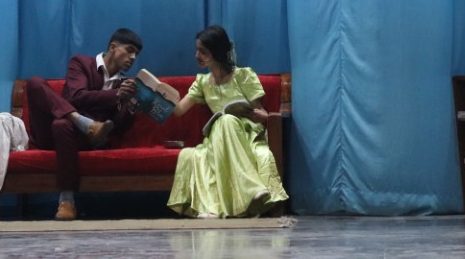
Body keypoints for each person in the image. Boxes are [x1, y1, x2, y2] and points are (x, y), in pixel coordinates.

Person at [167, 25, 288, 218]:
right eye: (197, 50)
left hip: (246, 133)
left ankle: (246, 193)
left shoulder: (243, 75)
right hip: (218, 137)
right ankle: (250, 190)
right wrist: (158, 96)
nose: (197, 55)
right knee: (223, 123)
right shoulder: (202, 82)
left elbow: (262, 112)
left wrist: (263, 117)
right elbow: (179, 110)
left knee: (228, 121)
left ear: (217, 52)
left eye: (203, 51)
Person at [25, 28, 142, 221]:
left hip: (84, 139)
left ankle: (67, 201)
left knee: (62, 125)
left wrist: (132, 105)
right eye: (129, 50)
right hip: (49, 135)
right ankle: (85, 123)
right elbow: (75, 97)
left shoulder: (124, 85)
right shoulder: (81, 63)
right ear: (113, 47)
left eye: (136, 54)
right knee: (34, 83)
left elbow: (118, 128)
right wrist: (115, 95)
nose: (133, 57)